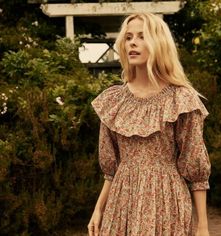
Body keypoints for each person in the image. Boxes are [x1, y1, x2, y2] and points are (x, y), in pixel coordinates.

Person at [88, 13, 211, 236]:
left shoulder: (180, 99)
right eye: (128, 37)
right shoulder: (114, 101)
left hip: (167, 202)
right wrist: (98, 209)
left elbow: (196, 168)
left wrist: (202, 226)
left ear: (159, 43)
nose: (132, 42)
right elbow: (111, 169)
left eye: (142, 37)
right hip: (122, 203)